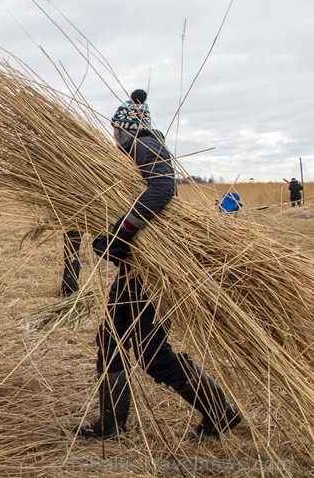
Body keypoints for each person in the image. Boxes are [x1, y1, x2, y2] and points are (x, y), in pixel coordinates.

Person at [80, 89, 241, 441]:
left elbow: (162, 188)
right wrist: (114, 244)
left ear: (124, 129)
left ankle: (220, 411)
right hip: (141, 269)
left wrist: (122, 233)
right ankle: (111, 423)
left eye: (114, 131)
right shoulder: (143, 147)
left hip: (150, 275)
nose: (113, 138)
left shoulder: (145, 142)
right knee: (113, 340)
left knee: (150, 351)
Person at [61, 230, 82, 296]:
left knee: (71, 255)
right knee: (72, 254)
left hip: (74, 226)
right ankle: (71, 286)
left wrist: (45, 219)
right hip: (73, 226)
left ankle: (68, 289)